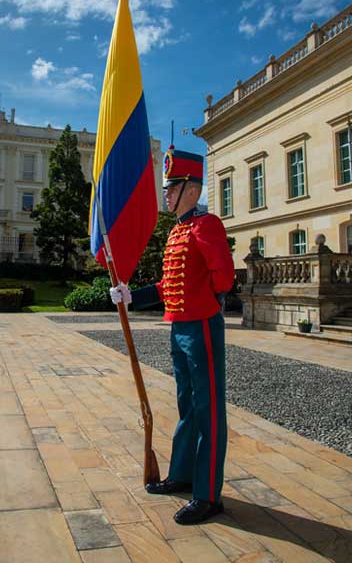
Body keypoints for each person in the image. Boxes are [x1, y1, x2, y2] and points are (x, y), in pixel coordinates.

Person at [109, 147, 234, 525]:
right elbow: (169, 284)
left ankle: (208, 494)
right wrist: (133, 295)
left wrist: (206, 306)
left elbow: (223, 277)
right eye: (166, 189)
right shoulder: (179, 230)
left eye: (172, 188)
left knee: (209, 409)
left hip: (200, 326)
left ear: (191, 190)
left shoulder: (207, 224)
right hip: (179, 327)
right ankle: (182, 475)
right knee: (187, 405)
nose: (166, 195)